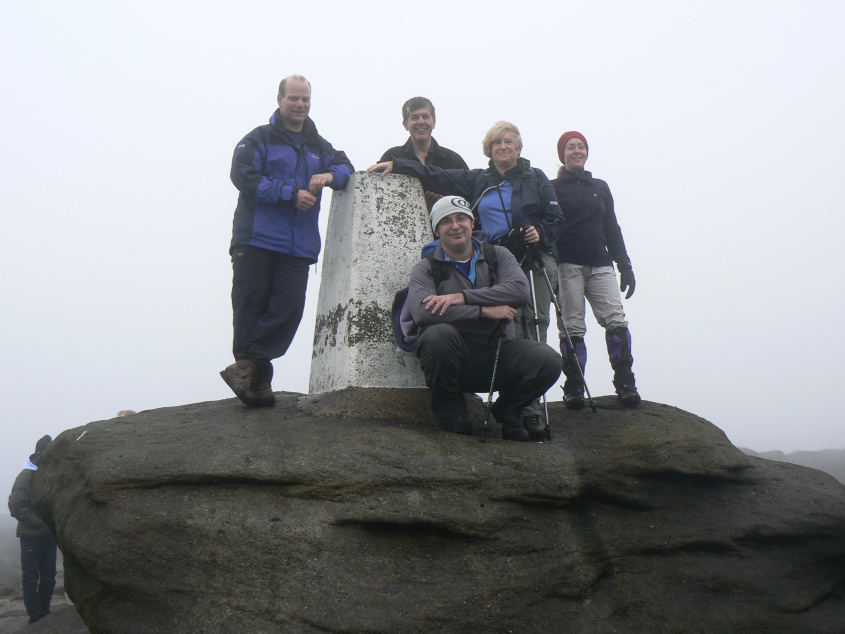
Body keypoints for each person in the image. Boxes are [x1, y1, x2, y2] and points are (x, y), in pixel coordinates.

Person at [369, 121, 563, 436]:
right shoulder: (475, 184)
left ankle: (521, 413)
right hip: (468, 333)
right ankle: (457, 414)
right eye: (497, 142)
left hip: (525, 259)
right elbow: (436, 174)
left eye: (509, 141)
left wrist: (540, 232)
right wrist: (398, 164)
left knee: (534, 336)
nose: (503, 146)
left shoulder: (535, 178)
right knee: (439, 336)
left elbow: (554, 223)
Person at [221, 74, 354, 408]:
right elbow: (243, 176)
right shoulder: (258, 139)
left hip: (298, 245)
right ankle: (257, 382)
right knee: (251, 305)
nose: (300, 105)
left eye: (305, 100)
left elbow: (345, 165)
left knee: (290, 307)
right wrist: (288, 195)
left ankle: (246, 369)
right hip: (256, 239)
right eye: (294, 98)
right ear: (279, 99)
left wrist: (330, 175)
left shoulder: (319, 146)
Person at [406, 195, 561, 441]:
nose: (455, 225)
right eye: (446, 221)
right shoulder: (427, 268)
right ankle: (452, 414)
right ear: (436, 230)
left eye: (461, 218)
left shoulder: (498, 255)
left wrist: (462, 298)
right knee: (437, 336)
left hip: (499, 354)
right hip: (456, 359)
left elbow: (519, 290)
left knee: (548, 360)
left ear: (472, 223)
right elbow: (423, 311)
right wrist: (484, 311)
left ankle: (508, 409)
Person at [552, 131, 641, 408]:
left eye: (580, 146)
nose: (576, 151)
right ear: (562, 154)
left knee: (616, 320)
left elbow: (612, 228)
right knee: (572, 327)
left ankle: (625, 383)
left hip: (601, 264)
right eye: (570, 148)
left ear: (587, 152)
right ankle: (574, 388)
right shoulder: (553, 187)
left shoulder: (600, 186)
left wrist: (624, 265)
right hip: (567, 265)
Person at [379, 97, 469, 209]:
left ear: (434, 122)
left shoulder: (453, 160)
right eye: (415, 117)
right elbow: (378, 193)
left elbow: (469, 195)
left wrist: (444, 201)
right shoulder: (391, 156)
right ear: (405, 124)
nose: (421, 122)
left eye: (425, 116)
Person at [8, 435, 58, 625]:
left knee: (49, 576)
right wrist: (42, 525)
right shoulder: (26, 475)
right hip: (31, 535)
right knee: (30, 576)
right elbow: (17, 507)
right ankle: (35, 616)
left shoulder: (49, 474)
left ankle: (44, 611)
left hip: (49, 536)